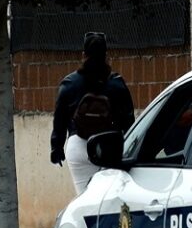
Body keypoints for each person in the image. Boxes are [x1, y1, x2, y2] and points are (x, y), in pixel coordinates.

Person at [50, 32, 135, 194]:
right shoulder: (116, 83)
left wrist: (56, 148)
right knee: (110, 201)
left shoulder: (69, 83)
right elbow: (129, 120)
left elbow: (59, 120)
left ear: (83, 54)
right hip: (109, 148)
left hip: (78, 146)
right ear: (106, 55)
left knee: (85, 200)